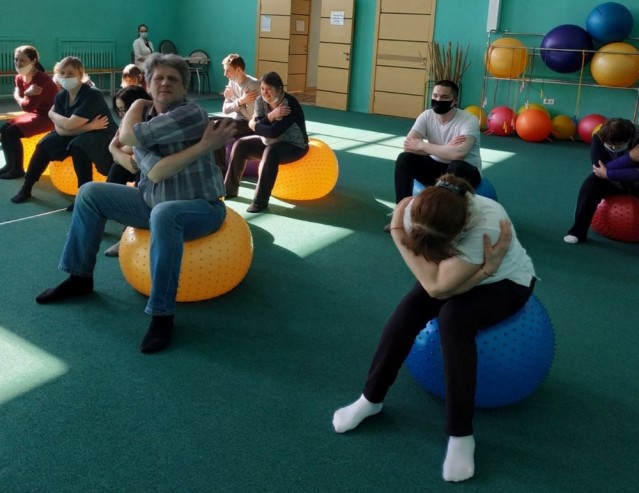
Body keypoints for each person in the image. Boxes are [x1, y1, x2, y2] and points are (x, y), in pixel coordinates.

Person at [332, 173, 536, 483]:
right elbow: (436, 284)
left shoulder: (488, 223)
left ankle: (461, 433)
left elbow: (437, 287)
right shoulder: (416, 210)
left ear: (462, 227)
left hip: (505, 282)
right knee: (407, 312)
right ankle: (370, 399)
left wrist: (397, 233)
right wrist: (404, 228)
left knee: (454, 318)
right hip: (454, 273)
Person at [35, 53, 235, 354]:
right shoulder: (146, 116)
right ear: (148, 84)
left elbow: (131, 146)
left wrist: (133, 116)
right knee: (89, 193)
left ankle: (162, 314)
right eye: (158, 78)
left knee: (165, 214)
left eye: (173, 79)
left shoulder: (190, 114)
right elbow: (133, 158)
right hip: (150, 201)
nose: (165, 83)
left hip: (201, 208)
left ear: (184, 87)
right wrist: (132, 127)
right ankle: (79, 278)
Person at [11, 56, 117, 207]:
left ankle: (83, 195)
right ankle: (26, 187)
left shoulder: (92, 95)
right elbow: (61, 130)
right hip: (86, 130)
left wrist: (52, 115)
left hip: (101, 134)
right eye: (62, 73)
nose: (66, 76)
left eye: (70, 73)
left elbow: (69, 124)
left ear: (80, 74)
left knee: (79, 146)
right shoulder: (61, 96)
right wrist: (89, 126)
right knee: (45, 143)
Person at [224, 71, 308, 213]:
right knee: (241, 145)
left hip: (294, 146)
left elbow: (272, 132)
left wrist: (254, 125)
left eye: (269, 89)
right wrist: (271, 116)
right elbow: (261, 127)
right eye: (262, 88)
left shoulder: (288, 104)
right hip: (269, 142)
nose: (265, 92)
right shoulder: (260, 101)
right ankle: (229, 190)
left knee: (271, 151)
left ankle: (260, 202)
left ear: (279, 89)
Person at [392, 80, 482, 208]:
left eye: (444, 97)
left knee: (456, 165)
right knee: (404, 158)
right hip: (436, 168)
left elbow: (459, 154)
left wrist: (423, 145)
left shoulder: (469, 120)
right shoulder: (426, 115)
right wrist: (447, 149)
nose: (438, 100)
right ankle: (401, 208)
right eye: (435, 96)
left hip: (465, 170)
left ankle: (443, 214)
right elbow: (408, 145)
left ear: (455, 101)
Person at [564, 118, 639, 244]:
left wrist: (608, 172)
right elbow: (599, 168)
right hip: (611, 178)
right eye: (610, 146)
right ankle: (577, 232)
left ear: (629, 139)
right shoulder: (599, 137)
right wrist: (629, 158)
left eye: (618, 146)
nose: (613, 148)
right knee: (589, 187)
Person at [102, 85, 154, 258]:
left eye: (125, 109)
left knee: (140, 174)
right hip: (137, 164)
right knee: (117, 169)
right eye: (119, 110)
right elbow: (122, 155)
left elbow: (129, 155)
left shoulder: (150, 121)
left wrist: (113, 148)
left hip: (155, 173)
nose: (122, 114)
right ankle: (98, 220)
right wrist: (117, 151)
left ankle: (127, 233)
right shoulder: (127, 121)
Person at [0, 45, 57, 180]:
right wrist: (25, 94)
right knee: (3, 129)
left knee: (12, 132)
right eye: (16, 60)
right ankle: (9, 165)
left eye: (22, 60)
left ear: (33, 61)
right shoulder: (19, 78)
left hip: (50, 116)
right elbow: (22, 99)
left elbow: (27, 106)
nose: (18, 63)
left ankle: (18, 169)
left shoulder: (41, 80)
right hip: (36, 113)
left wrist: (22, 95)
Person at [211, 54, 260, 171]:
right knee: (209, 122)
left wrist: (235, 99)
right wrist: (240, 101)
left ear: (238, 70)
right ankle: (211, 163)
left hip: (250, 124)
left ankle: (220, 169)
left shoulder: (252, 85)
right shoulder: (231, 82)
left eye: (228, 70)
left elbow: (251, 117)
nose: (225, 74)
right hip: (238, 120)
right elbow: (225, 109)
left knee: (218, 126)